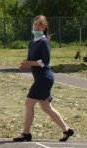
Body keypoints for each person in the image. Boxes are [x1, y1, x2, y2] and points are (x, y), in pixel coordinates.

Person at [13, 15, 74, 143]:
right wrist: (25, 64)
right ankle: (66, 130)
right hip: (39, 77)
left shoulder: (44, 41)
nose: (36, 27)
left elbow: (45, 61)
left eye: (39, 25)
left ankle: (26, 133)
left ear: (44, 27)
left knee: (29, 103)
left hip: (45, 78)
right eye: (35, 24)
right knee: (46, 107)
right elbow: (30, 60)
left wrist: (30, 63)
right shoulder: (32, 42)